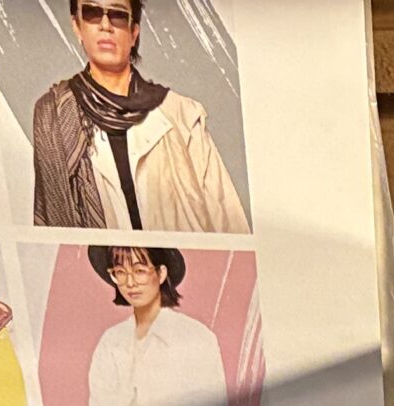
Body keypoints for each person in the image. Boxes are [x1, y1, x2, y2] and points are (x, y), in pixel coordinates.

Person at [30, 0, 248, 233]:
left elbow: (231, 227)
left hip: (186, 256)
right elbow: (51, 236)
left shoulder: (182, 114)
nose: (105, 25)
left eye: (118, 15)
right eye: (92, 12)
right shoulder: (53, 114)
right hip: (99, 258)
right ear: (77, 25)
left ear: (134, 32)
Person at [85, 245, 226, 406]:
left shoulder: (195, 336)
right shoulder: (110, 341)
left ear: (161, 273)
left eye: (139, 270)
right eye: (120, 272)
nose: (130, 282)